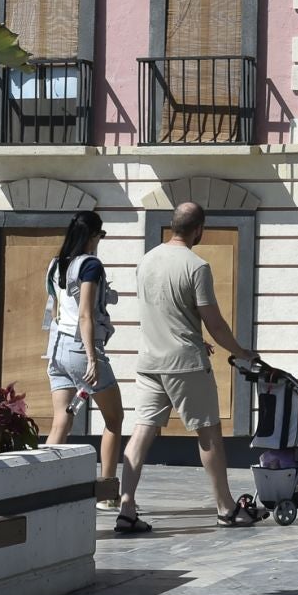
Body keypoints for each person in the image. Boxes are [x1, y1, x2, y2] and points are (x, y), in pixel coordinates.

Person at [116, 202, 259, 534]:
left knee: (141, 432)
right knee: (208, 432)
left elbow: (164, 312)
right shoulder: (197, 266)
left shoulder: (146, 260)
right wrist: (241, 352)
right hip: (185, 364)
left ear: (171, 225)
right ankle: (226, 508)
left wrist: (193, 334)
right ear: (199, 229)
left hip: (149, 362)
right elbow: (215, 323)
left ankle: (126, 508)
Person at [44, 210, 123, 499]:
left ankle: (46, 487)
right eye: (100, 235)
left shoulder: (56, 265)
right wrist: (92, 358)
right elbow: (86, 315)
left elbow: (54, 311)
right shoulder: (91, 265)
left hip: (56, 349)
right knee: (114, 420)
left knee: (61, 421)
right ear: (93, 236)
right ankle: (107, 492)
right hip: (81, 348)